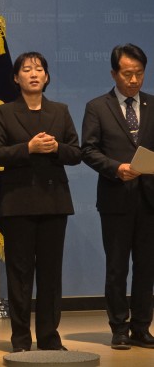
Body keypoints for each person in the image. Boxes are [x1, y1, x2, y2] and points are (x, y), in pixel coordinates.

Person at [0, 52, 81, 352]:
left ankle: (50, 338)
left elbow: (76, 153)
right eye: (27, 69)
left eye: (39, 69)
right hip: (18, 203)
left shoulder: (60, 111)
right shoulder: (5, 112)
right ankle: (20, 340)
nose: (34, 73)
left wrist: (56, 148)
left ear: (47, 76)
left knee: (51, 275)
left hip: (54, 202)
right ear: (16, 78)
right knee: (20, 274)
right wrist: (27, 148)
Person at [82, 43, 154, 350]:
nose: (134, 80)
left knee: (147, 267)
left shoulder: (153, 104)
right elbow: (88, 150)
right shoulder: (98, 107)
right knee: (117, 267)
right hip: (115, 199)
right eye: (127, 74)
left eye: (139, 73)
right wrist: (116, 168)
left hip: (149, 200)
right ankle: (119, 328)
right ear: (114, 74)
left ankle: (142, 327)